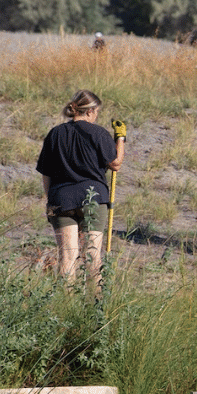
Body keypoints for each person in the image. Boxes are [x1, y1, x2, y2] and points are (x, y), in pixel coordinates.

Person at [35, 89, 125, 296]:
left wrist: (51, 201)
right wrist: (120, 138)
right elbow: (116, 163)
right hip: (93, 198)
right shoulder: (99, 133)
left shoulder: (55, 133)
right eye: (97, 112)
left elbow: (46, 173)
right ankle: (95, 310)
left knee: (67, 257)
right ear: (91, 111)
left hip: (61, 199)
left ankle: (65, 309)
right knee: (93, 256)